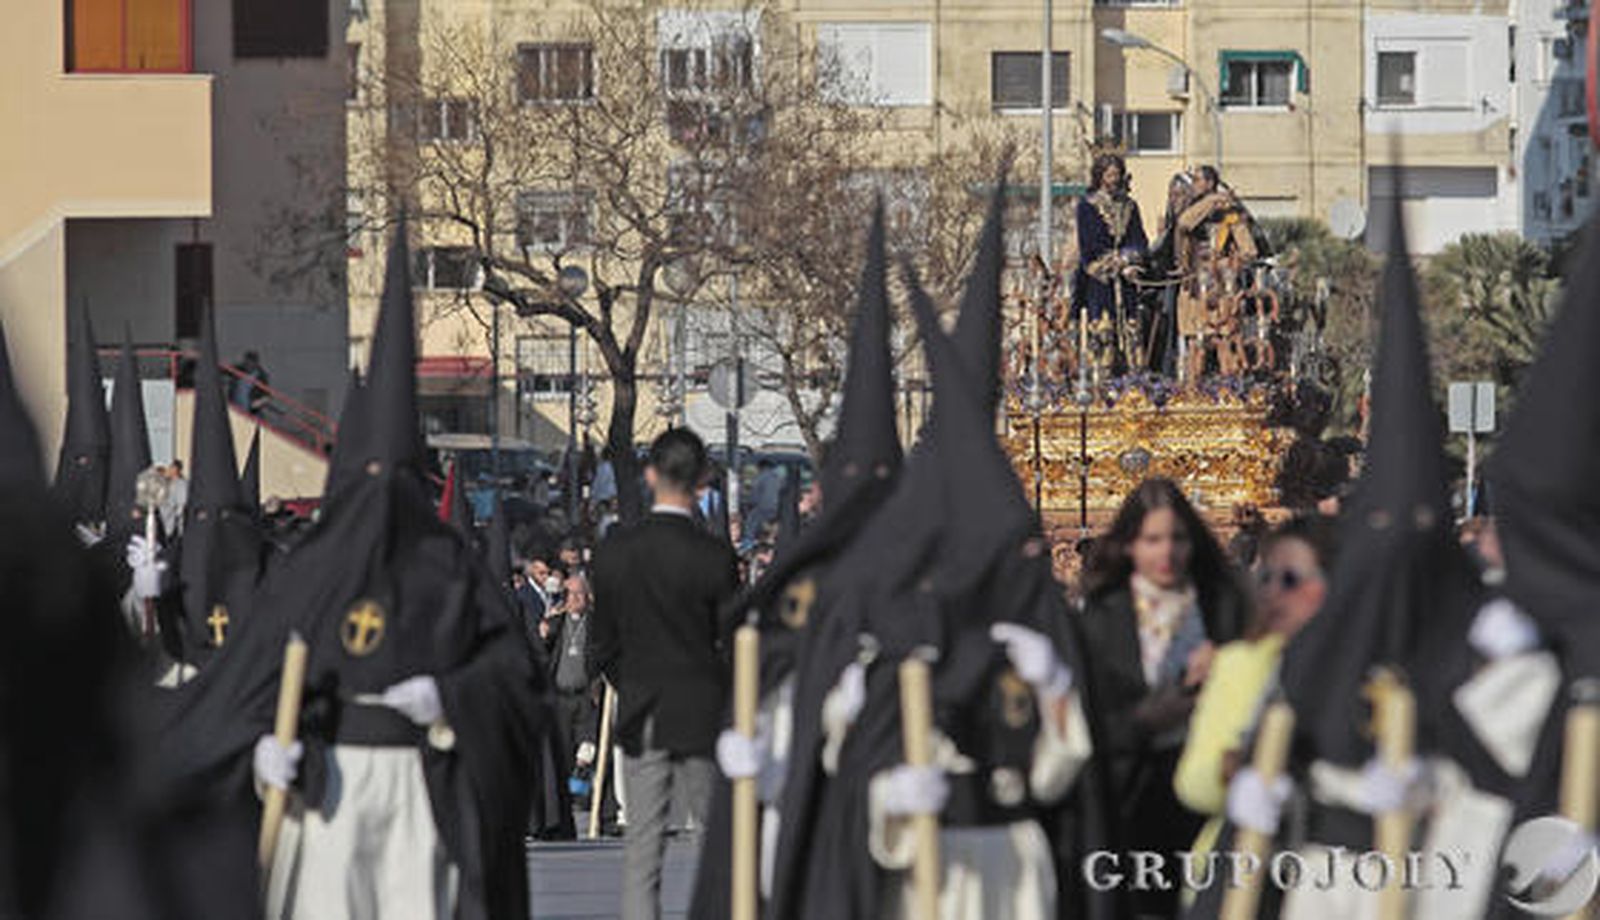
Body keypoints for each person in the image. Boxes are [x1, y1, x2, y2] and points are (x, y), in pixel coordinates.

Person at [1076, 477, 1247, 919]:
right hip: (1132, 797)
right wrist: (1145, 721)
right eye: (1152, 540)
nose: (1166, 553)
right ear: (1130, 544)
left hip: (1208, 792)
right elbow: (1088, 716)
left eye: (1177, 539)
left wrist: (1225, 667)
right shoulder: (1102, 615)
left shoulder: (1222, 606)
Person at [589, 427, 740, 920]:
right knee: (719, 844)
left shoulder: (616, 551)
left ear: (649, 475)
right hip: (702, 708)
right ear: (702, 480)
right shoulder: (715, 556)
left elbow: (602, 642)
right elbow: (734, 641)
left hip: (643, 706)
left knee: (643, 851)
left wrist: (627, 679)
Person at [1174, 516, 1338, 894]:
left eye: (1290, 580)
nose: (1274, 593)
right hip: (1238, 870)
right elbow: (1192, 782)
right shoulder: (1240, 662)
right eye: (1265, 578)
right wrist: (1231, 772)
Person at [1073, 153, 1148, 378]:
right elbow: (1088, 245)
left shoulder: (1130, 206)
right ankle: (1100, 377)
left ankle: (1133, 377)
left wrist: (1129, 260)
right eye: (1109, 174)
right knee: (1103, 330)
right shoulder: (1087, 206)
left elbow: (1139, 240)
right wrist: (1111, 264)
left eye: (1117, 174)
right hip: (1099, 279)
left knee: (1132, 328)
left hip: (1126, 278)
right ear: (1100, 176)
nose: (1114, 179)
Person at [230, 350, 270, 416]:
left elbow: (267, 397)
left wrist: (258, 403)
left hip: (249, 412)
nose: (247, 364)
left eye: (250, 362)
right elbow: (224, 370)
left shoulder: (261, 377)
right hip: (234, 409)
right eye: (246, 361)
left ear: (255, 363)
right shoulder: (238, 369)